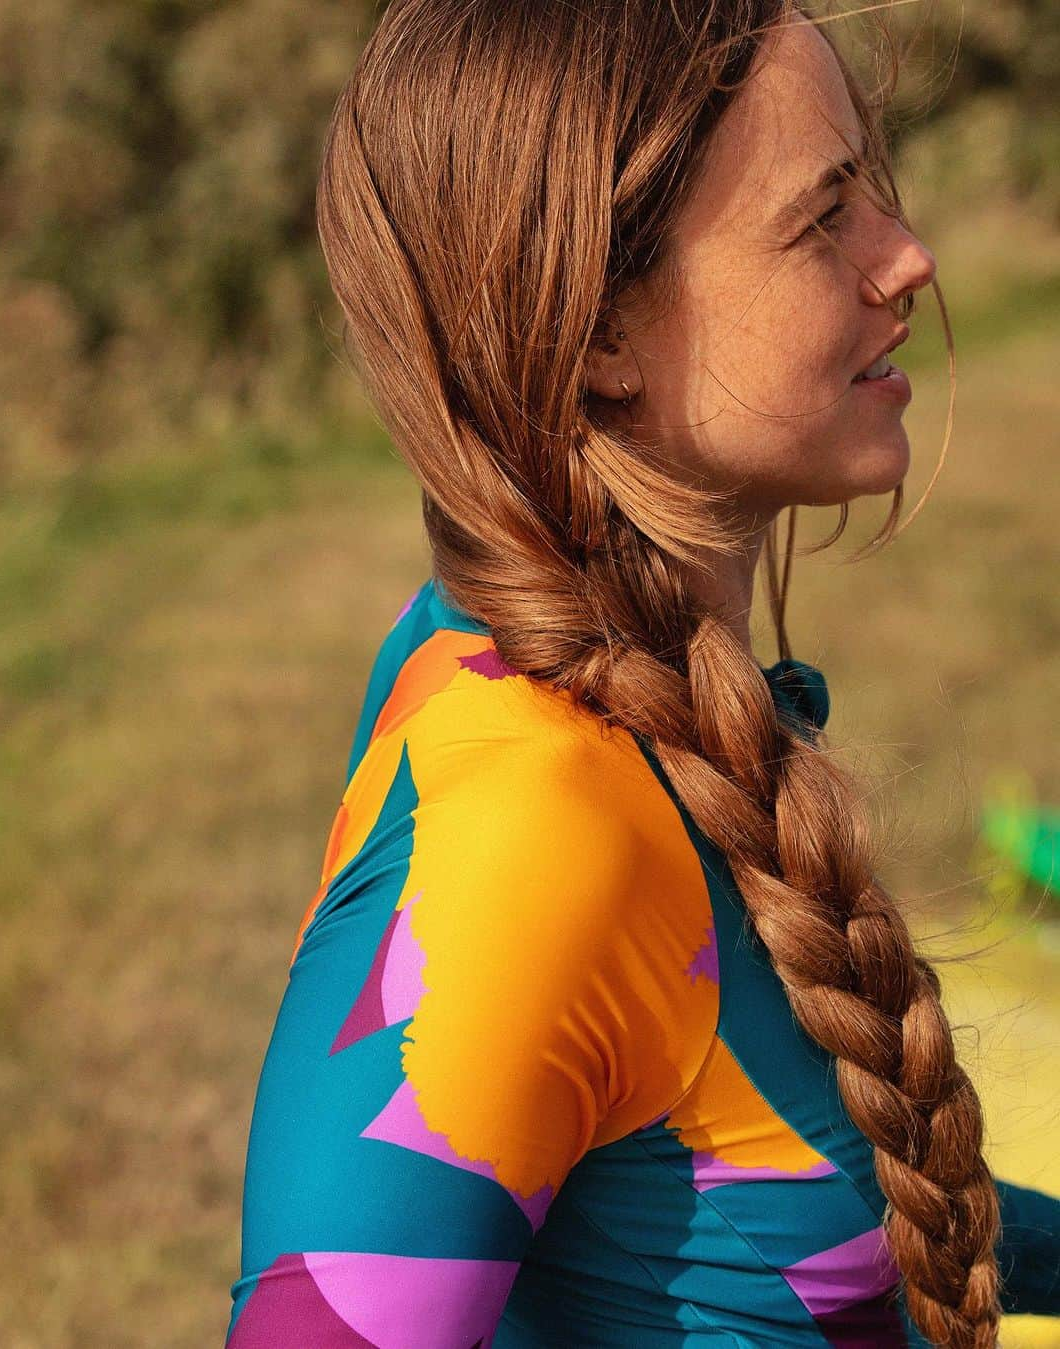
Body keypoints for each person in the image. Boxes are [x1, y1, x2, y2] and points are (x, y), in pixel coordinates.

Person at [225, 2, 1060, 1345]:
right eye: (820, 218)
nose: (906, 257)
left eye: (875, 188)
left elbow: (790, 1194)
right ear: (597, 330)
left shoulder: (564, 663)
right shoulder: (532, 829)